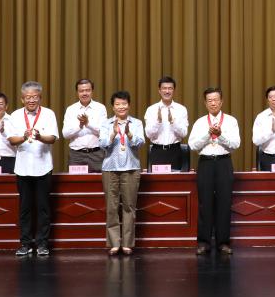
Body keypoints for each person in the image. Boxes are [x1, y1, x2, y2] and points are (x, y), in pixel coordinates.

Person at [6, 81, 60, 257]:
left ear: (40, 98)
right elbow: (11, 140)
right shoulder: (15, 115)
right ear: (22, 99)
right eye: (28, 97)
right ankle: (25, 243)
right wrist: (24, 137)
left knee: (43, 207)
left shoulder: (49, 114)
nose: (31, 100)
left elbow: (53, 138)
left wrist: (39, 136)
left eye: (35, 97)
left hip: (43, 166)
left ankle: (43, 244)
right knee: (25, 208)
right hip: (22, 168)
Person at [188, 87, 241, 255]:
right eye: (209, 100)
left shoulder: (231, 121)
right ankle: (203, 242)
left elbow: (235, 144)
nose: (213, 103)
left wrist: (220, 135)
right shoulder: (200, 122)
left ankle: (223, 242)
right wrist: (208, 134)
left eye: (216, 100)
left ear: (221, 101)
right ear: (205, 103)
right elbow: (192, 145)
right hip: (206, 163)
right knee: (205, 203)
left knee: (224, 203)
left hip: (224, 162)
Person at [100, 90, 144, 256]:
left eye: (124, 104)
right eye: (117, 104)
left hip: (131, 168)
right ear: (113, 107)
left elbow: (140, 143)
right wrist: (112, 134)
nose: (121, 107)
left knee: (129, 206)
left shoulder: (136, 123)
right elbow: (102, 144)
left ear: (129, 105)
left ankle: (127, 243)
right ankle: (114, 243)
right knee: (111, 207)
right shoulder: (106, 124)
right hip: (110, 168)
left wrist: (130, 134)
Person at [63, 78, 108, 173]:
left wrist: (88, 124)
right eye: (81, 91)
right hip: (76, 156)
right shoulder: (71, 109)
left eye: (87, 90)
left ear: (92, 91)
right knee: (76, 182)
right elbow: (65, 134)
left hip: (97, 154)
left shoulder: (100, 108)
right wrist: (79, 126)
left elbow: (104, 132)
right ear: (77, 92)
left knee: (98, 182)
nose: (84, 93)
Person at [145, 77, 190, 172]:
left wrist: (173, 123)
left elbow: (184, 134)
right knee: (157, 181)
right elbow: (148, 134)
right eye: (164, 88)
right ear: (159, 90)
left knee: (175, 181)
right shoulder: (151, 109)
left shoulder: (181, 109)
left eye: (170, 88)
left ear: (174, 90)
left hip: (175, 151)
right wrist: (158, 122)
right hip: (157, 152)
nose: (167, 91)